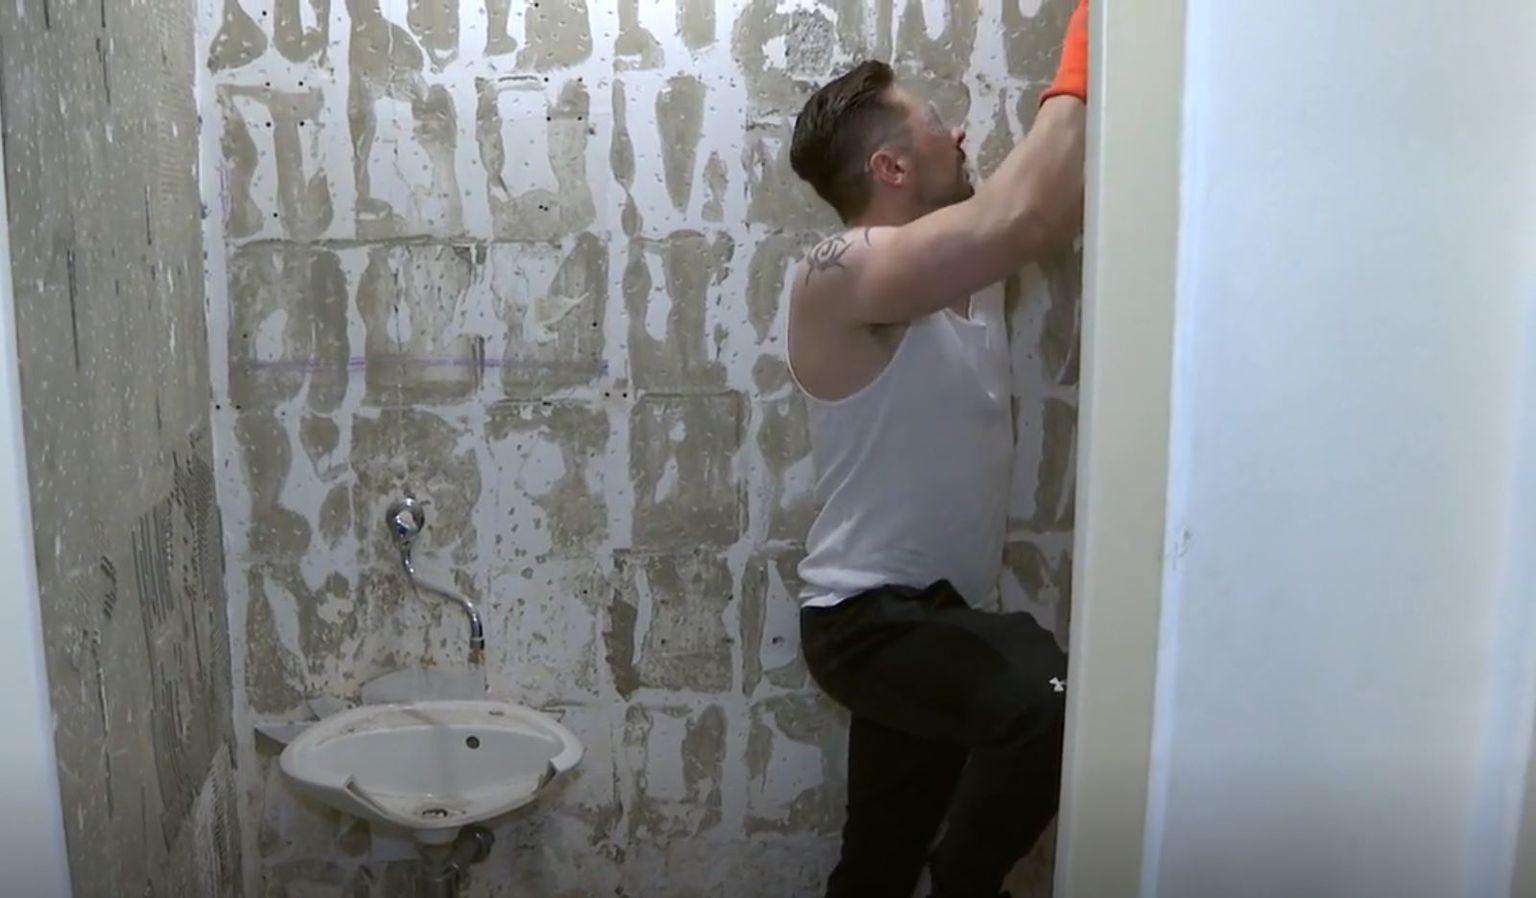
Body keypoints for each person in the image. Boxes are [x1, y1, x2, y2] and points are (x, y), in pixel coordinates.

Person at [783, 2, 1089, 896]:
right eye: (937, 123)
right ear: (890, 166)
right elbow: (1026, 215)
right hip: (868, 621)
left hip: (942, 614)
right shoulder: (838, 272)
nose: (960, 134)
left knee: (878, 863)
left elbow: (1046, 204)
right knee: (1050, 702)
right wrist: (1088, 38)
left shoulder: (968, 277)